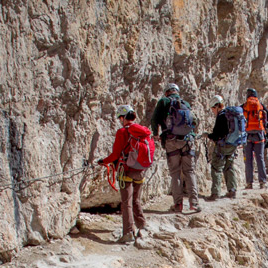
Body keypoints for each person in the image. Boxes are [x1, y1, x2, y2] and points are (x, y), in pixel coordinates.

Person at [97, 105, 154, 243]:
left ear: (123, 118)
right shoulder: (142, 132)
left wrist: (103, 161)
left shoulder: (122, 132)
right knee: (136, 200)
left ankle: (128, 232)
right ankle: (142, 225)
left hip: (126, 170)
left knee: (126, 202)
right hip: (140, 171)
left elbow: (116, 154)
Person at [150, 83, 198, 212]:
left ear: (166, 92)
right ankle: (194, 203)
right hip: (188, 141)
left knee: (175, 173)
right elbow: (194, 121)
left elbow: (154, 119)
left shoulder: (163, 102)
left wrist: (155, 134)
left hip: (171, 141)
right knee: (190, 171)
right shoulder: (185, 103)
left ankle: (178, 205)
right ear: (177, 92)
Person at [205, 95, 240, 200]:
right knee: (229, 167)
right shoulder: (231, 115)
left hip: (222, 146)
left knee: (216, 168)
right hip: (233, 145)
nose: (213, 111)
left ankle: (215, 193)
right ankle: (232, 191)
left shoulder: (221, 116)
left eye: (212, 108)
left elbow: (216, 135)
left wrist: (208, 135)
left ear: (216, 106)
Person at [241, 88, 268, 189]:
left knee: (248, 159)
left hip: (247, 135)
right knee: (260, 158)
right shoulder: (260, 105)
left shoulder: (244, 106)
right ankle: (262, 181)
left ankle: (249, 183)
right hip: (259, 135)